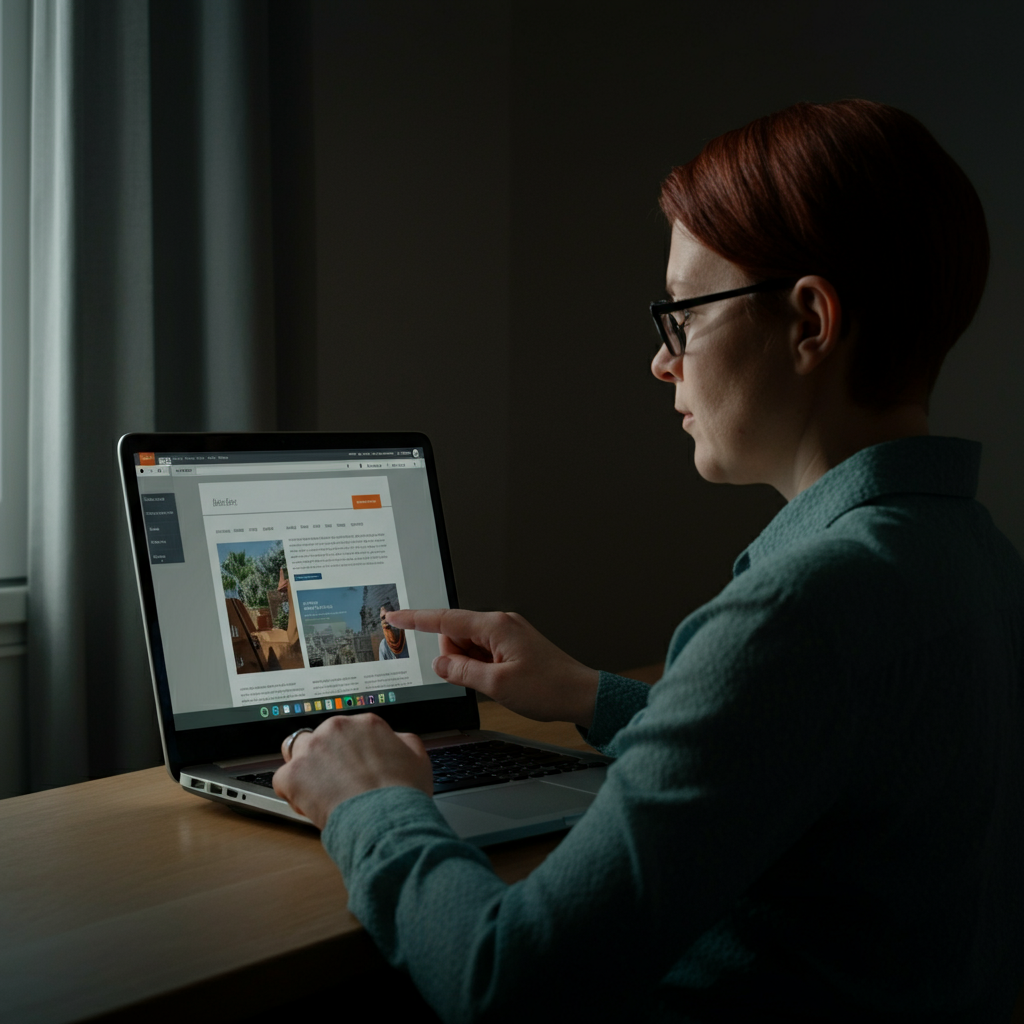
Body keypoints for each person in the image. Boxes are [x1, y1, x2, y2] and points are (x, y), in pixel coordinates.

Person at [272, 100, 1024, 1021]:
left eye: (683, 316)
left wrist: (368, 803)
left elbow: (505, 979)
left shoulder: (798, 613)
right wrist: (598, 696)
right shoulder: (979, 563)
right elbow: (812, 760)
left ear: (809, 321)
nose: (661, 364)